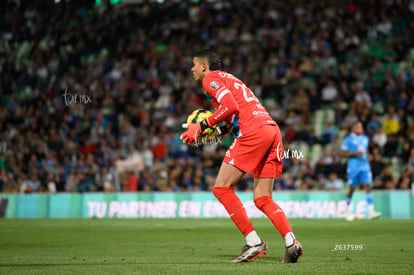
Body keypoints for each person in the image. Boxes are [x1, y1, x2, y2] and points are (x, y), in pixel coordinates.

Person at [181, 50, 303, 263]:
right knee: (263, 198)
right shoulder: (230, 79)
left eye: (194, 64)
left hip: (253, 131)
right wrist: (212, 131)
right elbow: (233, 118)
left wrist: (201, 125)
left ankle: (254, 242)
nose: (192, 69)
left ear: (204, 66)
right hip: (270, 129)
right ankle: (292, 243)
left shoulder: (211, 79)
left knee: (221, 188)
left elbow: (231, 107)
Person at [341, 121, 381, 221]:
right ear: (353, 128)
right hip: (353, 165)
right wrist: (355, 153)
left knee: (367, 185)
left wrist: (368, 156)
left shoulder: (365, 139)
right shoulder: (348, 139)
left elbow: (365, 151)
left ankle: (371, 212)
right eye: (358, 127)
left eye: (361, 127)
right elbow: (343, 153)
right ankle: (347, 210)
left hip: (364, 165)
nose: (360, 128)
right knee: (352, 188)